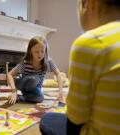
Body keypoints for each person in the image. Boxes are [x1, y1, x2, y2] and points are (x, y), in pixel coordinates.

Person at [39, 0, 120, 135]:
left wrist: (61, 92)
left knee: (48, 119)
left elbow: (76, 118)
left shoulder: (90, 42)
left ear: (90, 4)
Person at [7, 36, 63, 104]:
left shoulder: (48, 61)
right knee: (35, 78)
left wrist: (60, 91)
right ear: (31, 51)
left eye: (42, 51)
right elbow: (9, 74)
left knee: (40, 98)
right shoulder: (25, 62)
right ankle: (19, 94)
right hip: (22, 84)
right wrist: (14, 91)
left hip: (34, 89)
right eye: (36, 52)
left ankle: (21, 97)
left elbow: (58, 74)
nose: (40, 54)